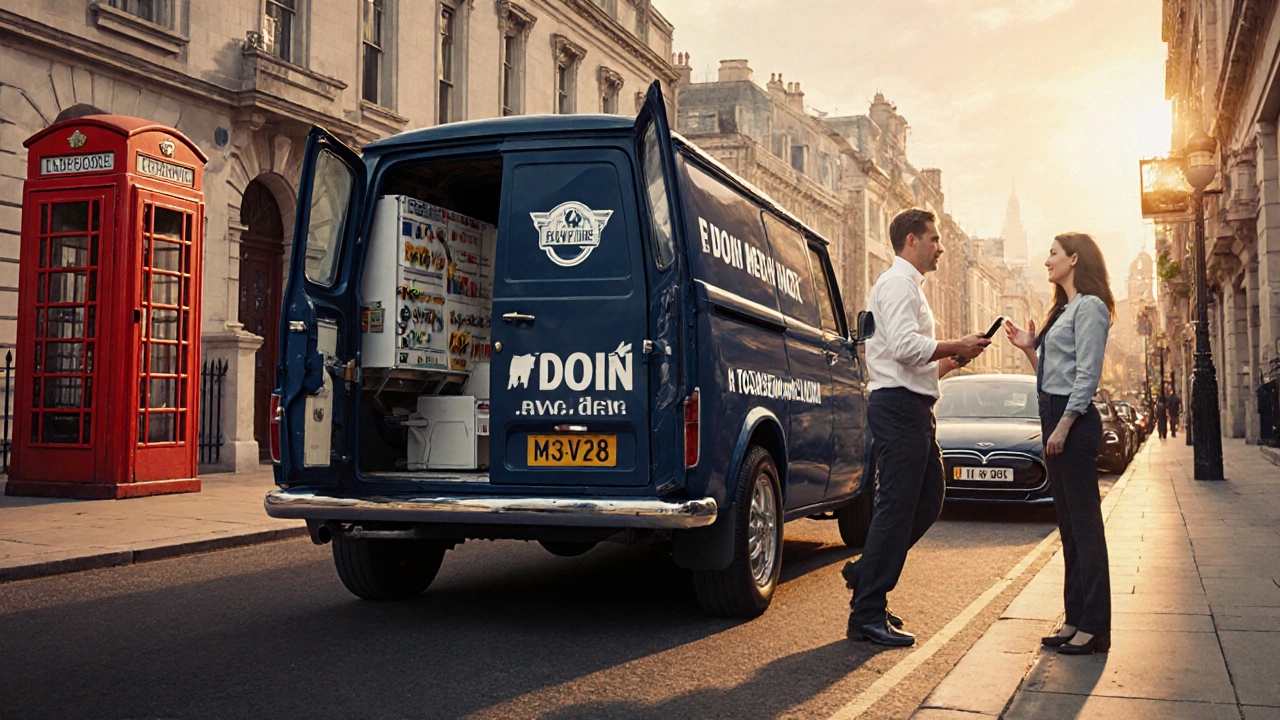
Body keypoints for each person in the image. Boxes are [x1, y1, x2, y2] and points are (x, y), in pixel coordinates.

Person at [843, 208, 990, 647]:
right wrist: (955, 343)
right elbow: (906, 349)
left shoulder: (910, 287)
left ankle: (867, 571)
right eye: (934, 238)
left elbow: (907, 360)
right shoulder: (896, 284)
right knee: (896, 507)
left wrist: (949, 361)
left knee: (928, 499)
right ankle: (866, 611)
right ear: (912, 240)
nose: (940, 247)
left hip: (913, 404)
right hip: (899, 409)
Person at [1005, 232, 1115, 656]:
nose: (1047, 260)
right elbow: (1050, 376)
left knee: (1085, 526)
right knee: (1068, 526)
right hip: (1053, 412)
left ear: (1074, 258)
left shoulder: (1090, 307)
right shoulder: (1064, 310)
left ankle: (1096, 627)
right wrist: (1031, 350)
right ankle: (1074, 619)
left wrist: (1065, 425)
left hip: (1074, 421)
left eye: (1053, 254)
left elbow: (1087, 376)